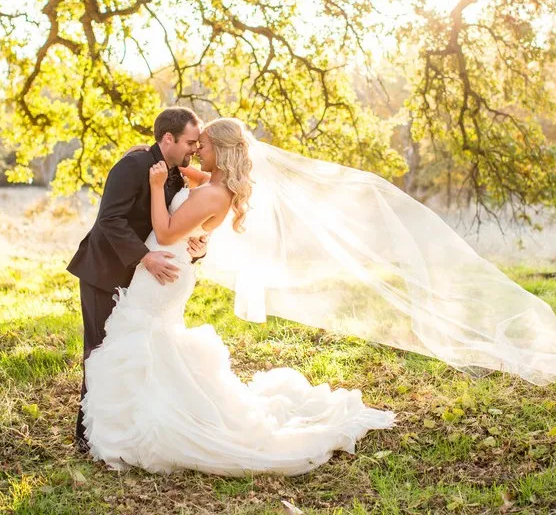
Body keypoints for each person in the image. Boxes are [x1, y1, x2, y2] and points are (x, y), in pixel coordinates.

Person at [80, 118, 395, 475]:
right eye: (194, 143)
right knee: (150, 344)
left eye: (204, 145)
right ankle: (134, 417)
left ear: (223, 151)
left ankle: (148, 423)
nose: (198, 149)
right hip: (164, 269)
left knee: (144, 341)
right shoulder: (213, 183)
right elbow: (183, 176)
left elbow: (167, 234)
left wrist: (155, 186)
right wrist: (148, 156)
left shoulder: (216, 192)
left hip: (162, 269)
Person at [67, 107, 209, 453]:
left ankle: (124, 425)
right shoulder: (131, 166)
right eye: (191, 142)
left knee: (130, 350)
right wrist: (145, 257)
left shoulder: (176, 173)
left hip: (141, 279)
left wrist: (198, 244)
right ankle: (87, 433)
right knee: (100, 350)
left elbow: (179, 222)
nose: (195, 148)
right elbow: (109, 220)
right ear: (168, 138)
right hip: (105, 271)